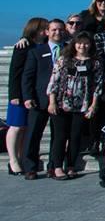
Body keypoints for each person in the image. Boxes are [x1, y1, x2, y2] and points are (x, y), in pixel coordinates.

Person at [46, 32, 101, 179]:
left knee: (75, 136)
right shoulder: (64, 60)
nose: (82, 46)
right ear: (74, 44)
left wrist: (93, 105)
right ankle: (57, 166)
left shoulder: (95, 62)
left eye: (86, 43)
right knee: (60, 136)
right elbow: (54, 81)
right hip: (61, 103)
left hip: (81, 105)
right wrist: (52, 102)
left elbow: (98, 86)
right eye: (79, 43)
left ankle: (71, 165)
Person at [22, 19, 66, 179]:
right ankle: (30, 167)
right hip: (39, 100)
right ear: (47, 32)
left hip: (61, 100)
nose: (57, 32)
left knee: (58, 136)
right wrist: (27, 97)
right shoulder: (36, 51)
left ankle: (53, 166)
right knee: (33, 134)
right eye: (54, 30)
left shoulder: (68, 50)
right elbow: (27, 76)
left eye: (61, 30)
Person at [6, 17, 48, 175]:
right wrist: (14, 94)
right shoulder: (23, 46)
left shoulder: (43, 46)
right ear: (35, 29)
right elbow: (14, 72)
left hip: (33, 92)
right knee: (16, 127)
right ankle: (13, 160)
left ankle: (22, 157)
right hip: (19, 94)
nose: (46, 31)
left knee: (25, 128)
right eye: (44, 28)